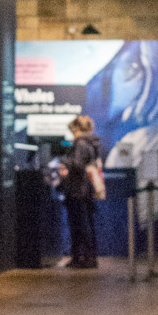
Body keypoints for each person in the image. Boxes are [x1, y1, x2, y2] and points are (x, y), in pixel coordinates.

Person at [57, 115, 102, 270]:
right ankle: (85, 257)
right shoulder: (89, 143)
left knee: (79, 225)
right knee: (84, 224)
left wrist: (63, 160)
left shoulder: (80, 144)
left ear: (76, 129)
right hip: (84, 190)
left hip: (77, 190)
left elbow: (78, 164)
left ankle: (84, 258)